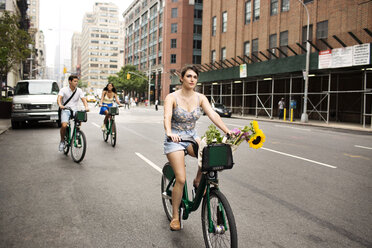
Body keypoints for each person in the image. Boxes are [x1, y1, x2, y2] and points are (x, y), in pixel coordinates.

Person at [163, 65, 232, 231]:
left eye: (195, 77)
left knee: (209, 150)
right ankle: (175, 217)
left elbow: (213, 114)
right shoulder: (172, 97)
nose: (192, 79)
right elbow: (167, 116)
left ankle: (198, 179)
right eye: (189, 76)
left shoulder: (201, 98)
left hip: (192, 138)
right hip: (175, 139)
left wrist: (226, 130)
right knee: (180, 178)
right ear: (182, 78)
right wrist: (169, 132)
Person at [57, 75, 89, 152]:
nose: (76, 83)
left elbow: (83, 99)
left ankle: (77, 133)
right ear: (70, 81)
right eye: (75, 81)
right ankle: (62, 141)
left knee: (80, 115)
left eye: (77, 81)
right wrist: (61, 105)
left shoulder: (79, 90)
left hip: (75, 110)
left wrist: (86, 106)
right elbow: (59, 98)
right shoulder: (63, 90)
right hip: (66, 109)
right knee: (64, 126)